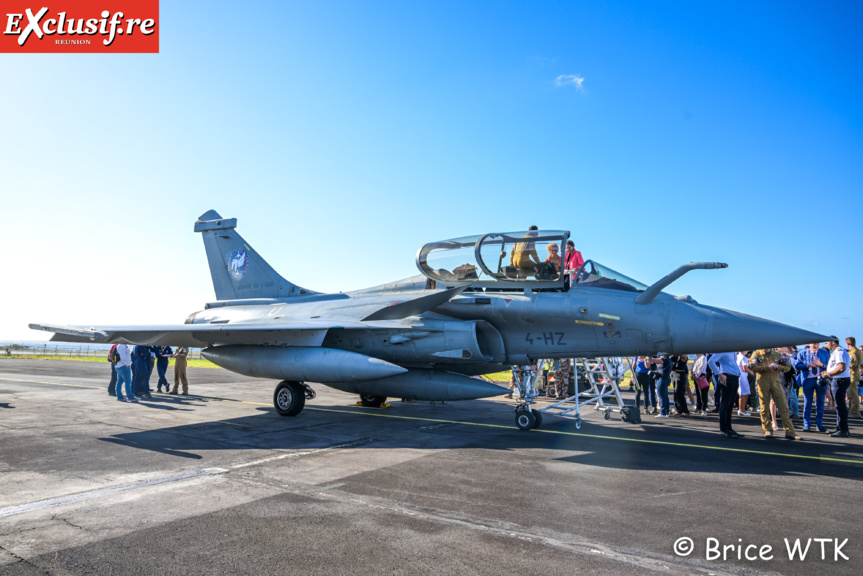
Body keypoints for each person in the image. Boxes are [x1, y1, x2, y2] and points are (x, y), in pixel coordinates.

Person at [749, 348, 800, 440]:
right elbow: (753, 367)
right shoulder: (756, 354)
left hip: (776, 381)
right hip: (763, 380)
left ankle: (790, 431)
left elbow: (788, 367)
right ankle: (768, 429)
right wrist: (767, 368)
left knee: (783, 406)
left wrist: (778, 367)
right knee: (764, 407)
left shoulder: (778, 355)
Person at [795, 342, 830, 432]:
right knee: (807, 403)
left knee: (820, 403)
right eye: (813, 343)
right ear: (809, 344)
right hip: (808, 380)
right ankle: (807, 424)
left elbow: (829, 366)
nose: (815, 345)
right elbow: (797, 366)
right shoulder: (802, 353)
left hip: (820, 379)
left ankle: (820, 424)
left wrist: (821, 365)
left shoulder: (824, 353)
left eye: (817, 343)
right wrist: (808, 365)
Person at [708, 352, 742, 438]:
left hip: (734, 377)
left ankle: (729, 428)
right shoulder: (724, 350)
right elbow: (710, 361)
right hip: (728, 378)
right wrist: (719, 374)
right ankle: (723, 429)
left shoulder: (733, 351)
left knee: (730, 405)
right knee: (725, 404)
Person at [823, 336, 851, 437]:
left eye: (827, 343)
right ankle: (841, 428)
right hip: (838, 379)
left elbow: (841, 368)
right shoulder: (838, 351)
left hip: (839, 380)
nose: (826, 345)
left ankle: (843, 430)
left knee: (840, 406)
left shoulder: (840, 352)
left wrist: (829, 374)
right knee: (839, 406)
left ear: (832, 342)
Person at [845, 337, 861, 418]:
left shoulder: (853, 352)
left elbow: (852, 364)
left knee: (853, 394)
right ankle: (852, 410)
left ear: (847, 344)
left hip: (852, 374)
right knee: (851, 393)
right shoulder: (856, 351)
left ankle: (855, 412)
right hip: (854, 373)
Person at [736, 351, 753, 416]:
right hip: (743, 376)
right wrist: (751, 371)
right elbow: (745, 368)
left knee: (744, 393)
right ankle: (741, 409)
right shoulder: (743, 357)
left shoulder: (738, 356)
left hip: (740, 376)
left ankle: (742, 409)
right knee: (744, 393)